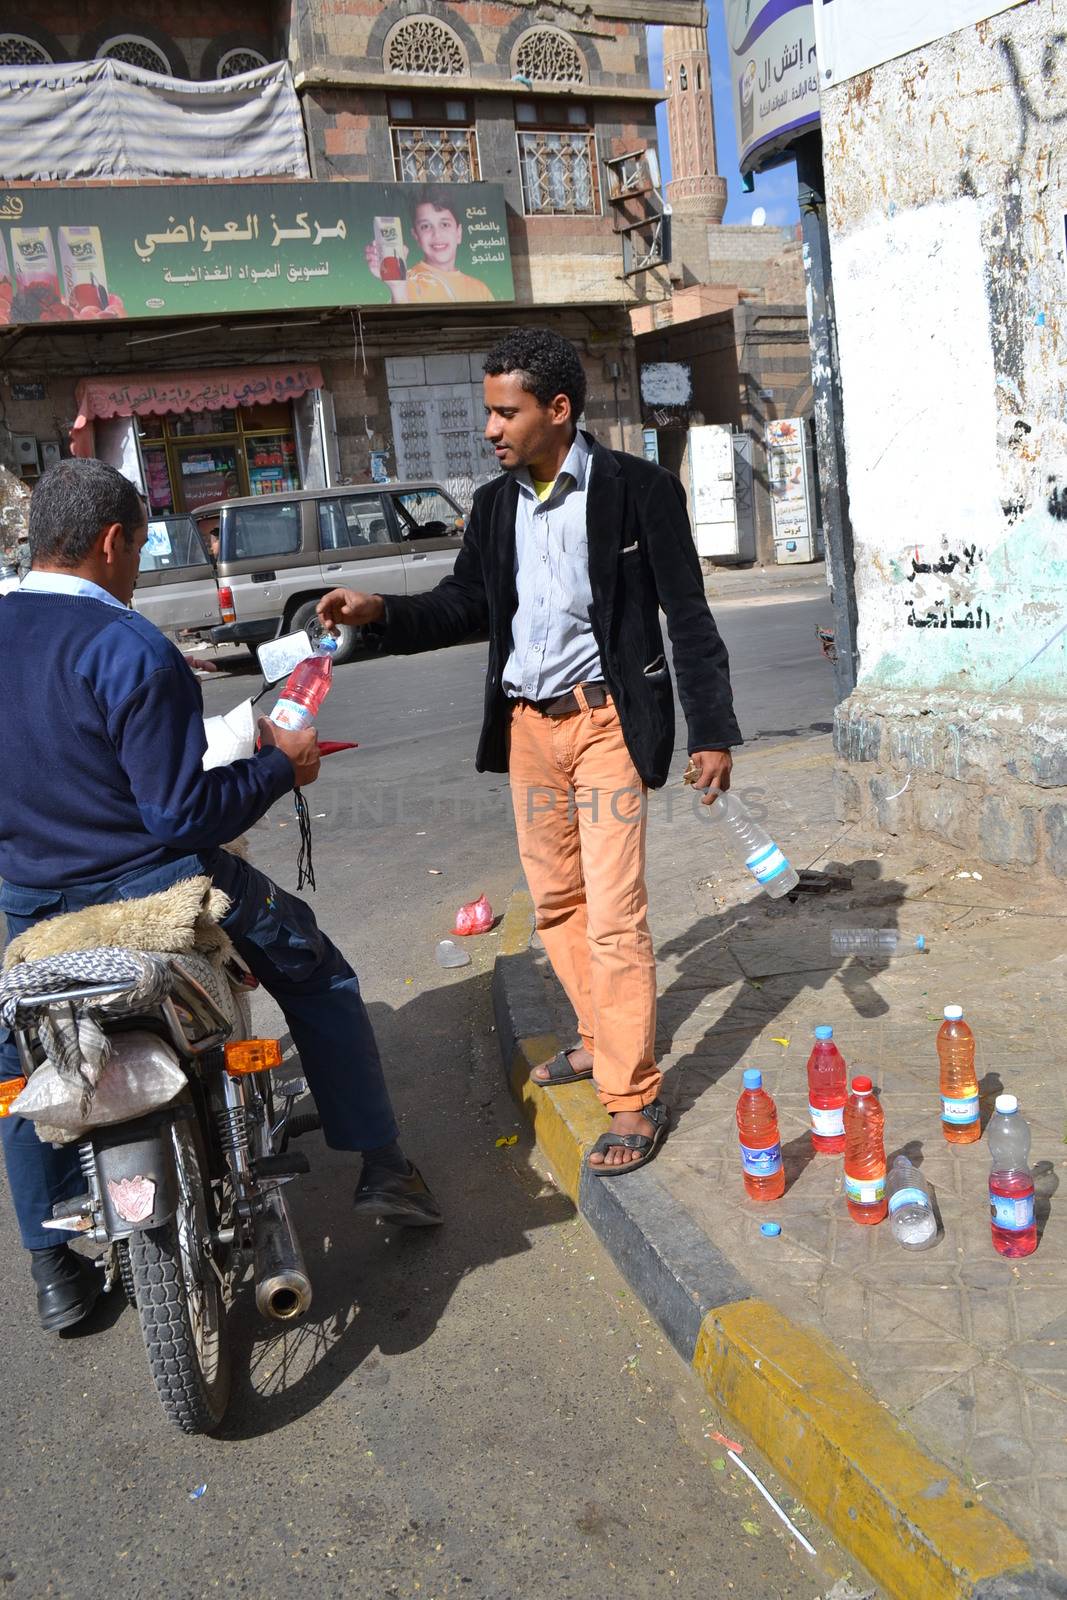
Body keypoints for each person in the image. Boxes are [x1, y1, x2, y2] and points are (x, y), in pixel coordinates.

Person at [0, 459, 440, 1335]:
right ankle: (381, 1162)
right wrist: (282, 764)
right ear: (114, 541)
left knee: (24, 1067)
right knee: (321, 976)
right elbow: (179, 811)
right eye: (138, 547)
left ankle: (52, 1265)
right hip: (158, 888)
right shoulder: (126, 645)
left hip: (33, 907)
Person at [318, 328, 741, 1175]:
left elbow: (686, 616)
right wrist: (381, 614)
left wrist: (713, 731)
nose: (490, 429)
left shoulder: (637, 491)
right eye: (488, 413)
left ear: (557, 410)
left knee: (616, 914)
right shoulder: (495, 505)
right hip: (528, 728)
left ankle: (631, 1095)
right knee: (557, 903)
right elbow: (463, 605)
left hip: (606, 725)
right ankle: (597, 1036)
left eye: (504, 412)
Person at [365, 190, 495, 305]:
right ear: (416, 235)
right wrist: (397, 287)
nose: (437, 234)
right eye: (426, 226)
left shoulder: (480, 290)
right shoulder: (406, 283)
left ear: (459, 233)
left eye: (444, 224)